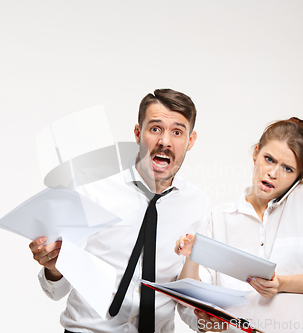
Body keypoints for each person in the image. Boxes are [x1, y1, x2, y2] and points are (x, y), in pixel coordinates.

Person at [29, 89, 210, 333]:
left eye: (177, 132)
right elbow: (57, 289)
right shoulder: (93, 190)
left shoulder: (196, 205)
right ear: (138, 133)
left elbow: (187, 296)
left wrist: (206, 319)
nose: (165, 142)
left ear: (191, 140)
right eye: (155, 129)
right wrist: (52, 268)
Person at [175, 118, 303, 333]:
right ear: (255, 152)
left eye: (287, 169)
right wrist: (192, 257)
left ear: (299, 176)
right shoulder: (220, 218)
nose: (273, 173)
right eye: (269, 159)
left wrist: (281, 284)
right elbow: (189, 300)